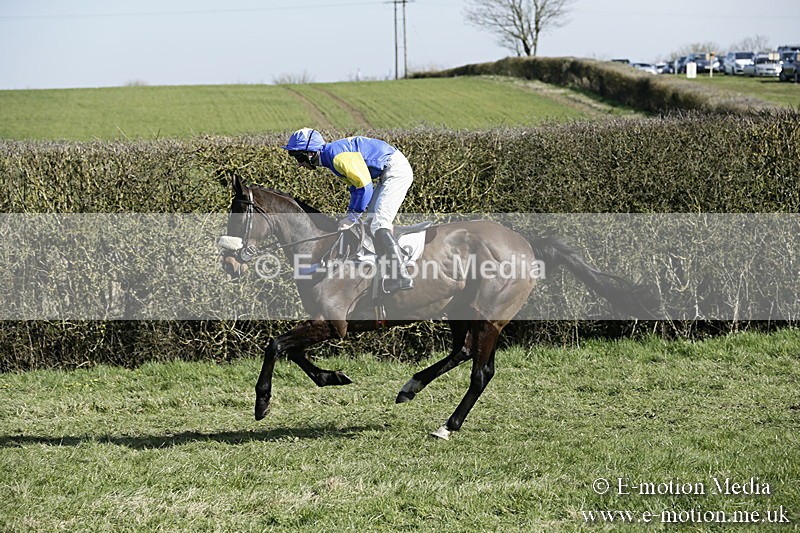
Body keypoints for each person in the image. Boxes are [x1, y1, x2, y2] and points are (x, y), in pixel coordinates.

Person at [282, 128, 415, 293]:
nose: (299, 164)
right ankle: (384, 271)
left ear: (311, 154)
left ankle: (402, 275)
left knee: (379, 224)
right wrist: (350, 214)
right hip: (387, 171)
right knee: (370, 223)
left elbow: (365, 188)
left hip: (395, 170)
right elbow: (356, 189)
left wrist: (352, 217)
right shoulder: (331, 158)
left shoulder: (337, 157)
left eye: (299, 157)